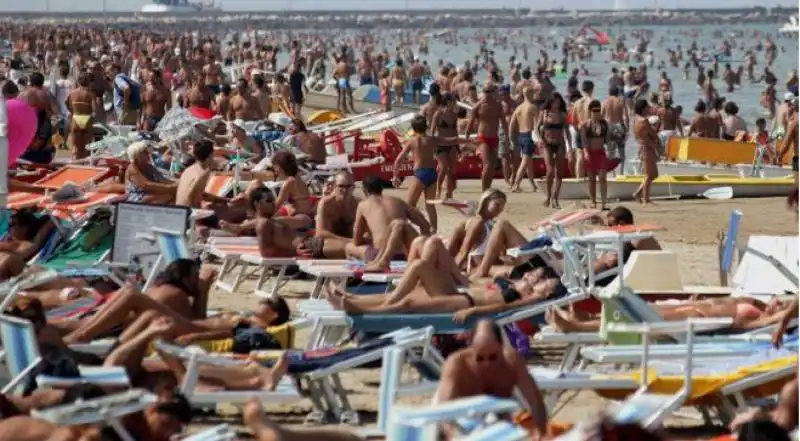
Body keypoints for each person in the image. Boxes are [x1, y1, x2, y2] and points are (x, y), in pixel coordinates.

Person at [435, 320, 548, 440]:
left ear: (501, 348)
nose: (486, 364)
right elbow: (444, 410)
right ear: (471, 348)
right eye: (480, 358)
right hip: (460, 415)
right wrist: (453, 434)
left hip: (498, 414)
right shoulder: (457, 364)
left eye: (493, 357)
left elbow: (534, 400)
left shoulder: (511, 361)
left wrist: (540, 432)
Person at [61, 259, 212, 344]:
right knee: (130, 293)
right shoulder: (177, 294)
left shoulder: (158, 288)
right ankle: (83, 335)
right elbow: (197, 324)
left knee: (127, 292)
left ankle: (82, 333)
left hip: (110, 324)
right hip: (119, 331)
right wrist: (203, 292)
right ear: (185, 279)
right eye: (196, 276)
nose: (198, 280)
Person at [393, 115, 467, 233]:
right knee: (430, 205)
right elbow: (452, 140)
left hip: (420, 174)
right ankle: (433, 230)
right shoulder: (432, 139)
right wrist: (469, 140)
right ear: (426, 127)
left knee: (410, 205)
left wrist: (395, 176)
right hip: (432, 174)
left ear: (413, 128)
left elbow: (398, 160)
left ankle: (417, 228)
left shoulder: (412, 141)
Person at [346, 176, 431, 271]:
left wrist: (371, 239)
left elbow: (357, 240)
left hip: (378, 254)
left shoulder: (363, 205)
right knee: (399, 225)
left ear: (364, 191)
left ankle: (354, 280)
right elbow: (425, 225)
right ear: (381, 189)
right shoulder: (398, 201)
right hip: (404, 254)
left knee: (349, 247)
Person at [465, 85, 510, 192]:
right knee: (487, 164)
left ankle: (487, 189)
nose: (487, 94)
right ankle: (484, 190)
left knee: (492, 167)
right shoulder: (479, 105)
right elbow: (472, 118)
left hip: (494, 138)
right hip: (482, 137)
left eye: (490, 91)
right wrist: (468, 132)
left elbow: (503, 122)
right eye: (486, 91)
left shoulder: (498, 105)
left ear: (494, 92)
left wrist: (507, 137)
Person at [447, 189, 507, 269]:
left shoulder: (493, 224)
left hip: (494, 267)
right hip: (481, 270)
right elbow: (464, 251)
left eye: (502, 207)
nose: (500, 209)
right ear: (486, 201)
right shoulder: (477, 222)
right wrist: (452, 274)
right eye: (497, 204)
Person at [308, 171, 359, 259]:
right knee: (328, 246)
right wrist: (350, 241)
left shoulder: (357, 205)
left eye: (348, 186)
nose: (345, 190)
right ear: (334, 186)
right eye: (341, 186)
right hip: (327, 242)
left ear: (353, 187)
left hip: (348, 243)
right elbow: (321, 233)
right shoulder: (326, 204)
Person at [537, 93, 571, 208]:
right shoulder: (544, 113)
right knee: (550, 171)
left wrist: (570, 147)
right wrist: (540, 140)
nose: (556, 104)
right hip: (547, 144)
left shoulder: (562, 115)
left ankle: (555, 198)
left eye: (558, 102)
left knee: (559, 173)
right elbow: (537, 128)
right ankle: (548, 196)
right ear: (550, 102)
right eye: (554, 102)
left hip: (560, 144)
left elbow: (567, 132)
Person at [0, 210, 54, 281]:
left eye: (11, 225)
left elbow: (51, 221)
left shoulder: (20, 245)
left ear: (24, 228)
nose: (8, 229)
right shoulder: (13, 242)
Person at [271, 151, 314, 230]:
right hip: (304, 217)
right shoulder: (297, 177)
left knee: (269, 221)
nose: (275, 172)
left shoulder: (289, 182)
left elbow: (277, 205)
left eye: (275, 168)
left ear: (279, 168)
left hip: (301, 218)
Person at [509, 87, 540, 192]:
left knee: (529, 163)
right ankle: (516, 184)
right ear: (531, 94)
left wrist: (511, 139)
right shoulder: (532, 107)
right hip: (528, 136)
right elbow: (537, 126)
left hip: (520, 136)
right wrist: (539, 139)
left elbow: (511, 125)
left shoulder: (518, 108)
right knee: (525, 162)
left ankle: (533, 185)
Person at [431, 93, 461, 199]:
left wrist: (458, 146)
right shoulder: (438, 114)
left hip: (452, 144)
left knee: (452, 170)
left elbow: (455, 131)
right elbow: (432, 131)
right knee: (443, 168)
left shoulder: (454, 114)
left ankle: (449, 193)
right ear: (448, 102)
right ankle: (438, 188)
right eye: (453, 101)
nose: (455, 103)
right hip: (441, 144)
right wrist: (432, 145)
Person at [580, 100, 609, 209]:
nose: (597, 113)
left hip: (601, 152)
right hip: (590, 153)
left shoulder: (604, 124)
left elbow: (606, 139)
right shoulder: (585, 125)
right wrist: (586, 153)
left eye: (598, 110)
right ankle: (593, 201)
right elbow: (583, 141)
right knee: (591, 179)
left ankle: (604, 202)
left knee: (602, 178)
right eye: (594, 110)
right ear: (590, 111)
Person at [632, 100, 659, 205]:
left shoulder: (637, 120)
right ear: (643, 109)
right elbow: (650, 135)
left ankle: (638, 193)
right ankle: (646, 199)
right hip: (646, 148)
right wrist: (656, 144)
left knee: (654, 174)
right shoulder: (643, 121)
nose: (649, 109)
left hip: (645, 148)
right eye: (647, 107)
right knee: (649, 174)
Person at [64, 72, 95, 160]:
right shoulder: (90, 94)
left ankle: (76, 165)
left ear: (78, 81)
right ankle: (86, 166)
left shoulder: (72, 93)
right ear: (88, 82)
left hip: (76, 118)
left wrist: (72, 110)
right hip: (86, 118)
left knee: (75, 147)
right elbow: (94, 109)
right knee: (87, 148)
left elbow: (66, 102)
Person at [602, 85, 630, 174]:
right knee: (621, 150)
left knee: (611, 152)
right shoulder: (621, 101)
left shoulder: (605, 102)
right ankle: (621, 172)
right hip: (619, 126)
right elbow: (626, 117)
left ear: (609, 92)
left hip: (609, 127)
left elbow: (601, 117)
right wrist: (627, 129)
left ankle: (612, 172)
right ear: (618, 93)